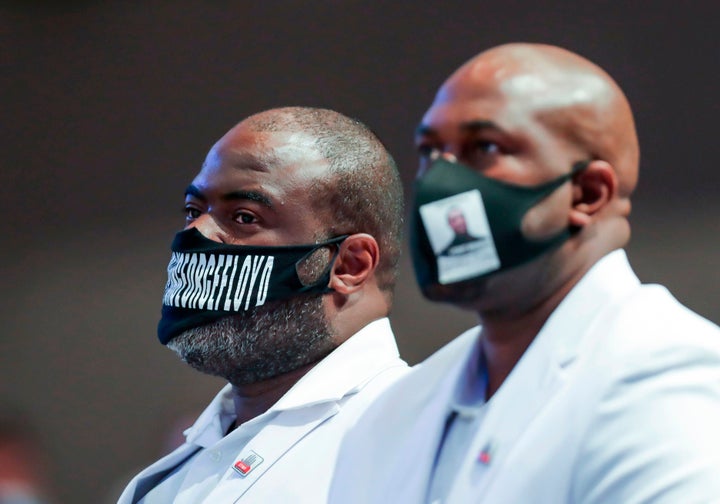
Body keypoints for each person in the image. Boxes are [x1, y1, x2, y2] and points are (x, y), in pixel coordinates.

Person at [329, 43, 720, 503]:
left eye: (485, 148)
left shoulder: (668, 375)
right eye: (431, 152)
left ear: (588, 193)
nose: (441, 182)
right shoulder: (392, 412)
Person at [117, 106, 408, 503]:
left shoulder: (413, 437)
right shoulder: (173, 478)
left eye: (243, 216)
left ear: (349, 264)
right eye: (193, 211)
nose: (195, 234)